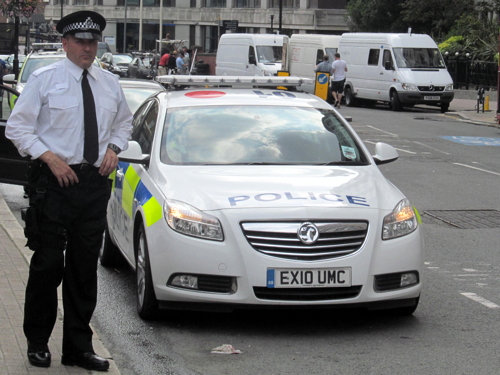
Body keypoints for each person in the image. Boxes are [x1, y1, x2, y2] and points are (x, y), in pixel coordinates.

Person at [5, 10, 133, 372]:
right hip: (54, 183)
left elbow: (123, 123)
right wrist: (49, 157)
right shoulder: (45, 80)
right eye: (80, 41)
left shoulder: (109, 83)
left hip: (92, 185)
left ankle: (77, 348)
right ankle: (37, 342)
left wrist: (113, 148)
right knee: (47, 265)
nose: (87, 48)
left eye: (93, 42)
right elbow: (18, 129)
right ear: (65, 43)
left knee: (83, 269)